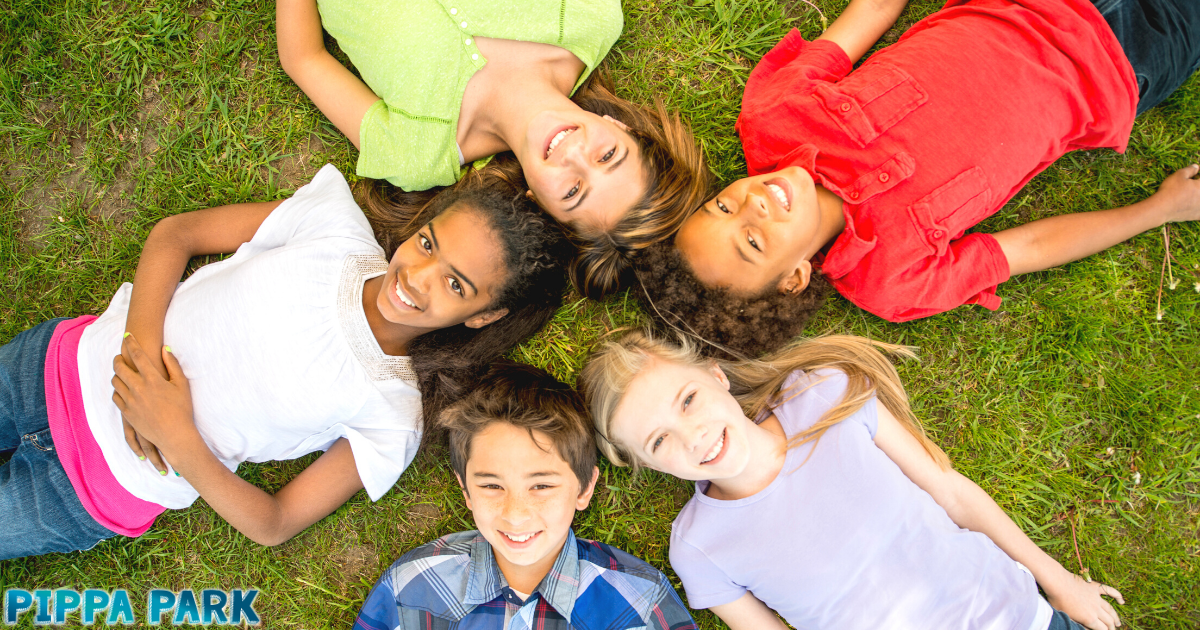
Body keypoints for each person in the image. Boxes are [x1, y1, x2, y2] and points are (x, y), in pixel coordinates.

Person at [0, 162, 570, 560]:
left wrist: (176, 436)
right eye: (427, 243)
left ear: (484, 316)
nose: (416, 278)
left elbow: (274, 524)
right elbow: (177, 234)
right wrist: (140, 357)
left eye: (455, 283)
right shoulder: (332, 226)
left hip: (83, 490)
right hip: (48, 367)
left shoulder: (391, 416)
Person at [632, 0, 1200, 357]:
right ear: (793, 279)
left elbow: (868, 16)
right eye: (754, 243)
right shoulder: (894, 279)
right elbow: (1027, 246)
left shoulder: (775, 119)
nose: (751, 205)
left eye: (721, 209)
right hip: (1120, 62)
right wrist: (1160, 210)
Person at [578, 329, 1127, 630]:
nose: (692, 435)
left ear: (716, 377)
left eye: (689, 399)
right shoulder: (699, 547)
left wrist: (1061, 584)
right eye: (658, 441)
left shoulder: (821, 394)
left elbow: (953, 492)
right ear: (648, 465)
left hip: (1022, 619)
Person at [275, 0, 709, 299]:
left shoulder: (418, 153)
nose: (574, 154)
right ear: (621, 126)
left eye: (574, 191)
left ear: (537, 203)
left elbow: (304, 60)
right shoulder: (587, 15)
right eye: (608, 156)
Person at [351, 362, 697, 630]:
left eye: (542, 486)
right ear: (465, 490)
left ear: (584, 488)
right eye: (491, 486)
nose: (515, 514)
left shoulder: (640, 601)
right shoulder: (414, 585)